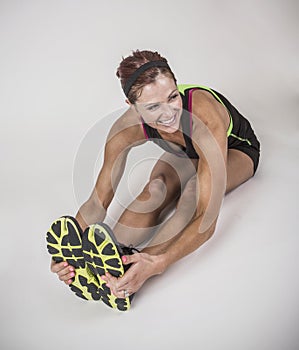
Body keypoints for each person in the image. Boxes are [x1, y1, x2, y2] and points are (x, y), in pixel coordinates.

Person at [47, 49, 260, 311]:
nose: (169, 112)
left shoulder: (204, 115)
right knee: (155, 187)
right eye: (153, 107)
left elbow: (207, 217)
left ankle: (140, 267)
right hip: (185, 151)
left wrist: (158, 263)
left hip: (236, 149)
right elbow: (97, 201)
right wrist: (69, 253)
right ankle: (118, 259)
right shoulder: (125, 130)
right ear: (132, 107)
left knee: (193, 193)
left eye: (172, 97)